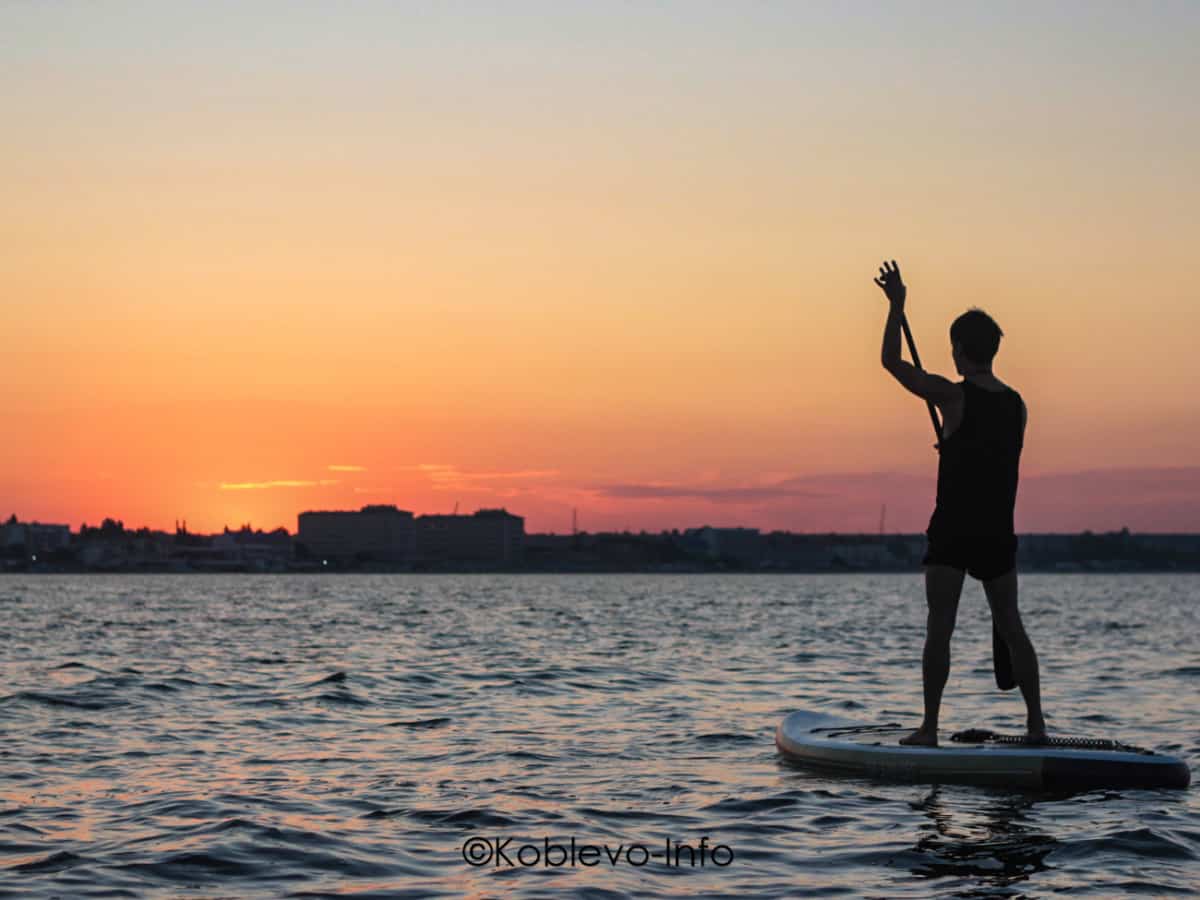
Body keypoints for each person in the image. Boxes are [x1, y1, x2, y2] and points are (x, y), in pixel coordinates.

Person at [874, 259, 1047, 747]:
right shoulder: (1017, 405)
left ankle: (928, 728)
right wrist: (953, 444)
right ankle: (1037, 726)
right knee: (1012, 626)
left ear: (960, 350)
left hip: (954, 529)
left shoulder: (952, 396)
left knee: (940, 627)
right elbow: (992, 453)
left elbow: (893, 363)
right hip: (997, 532)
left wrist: (897, 307)